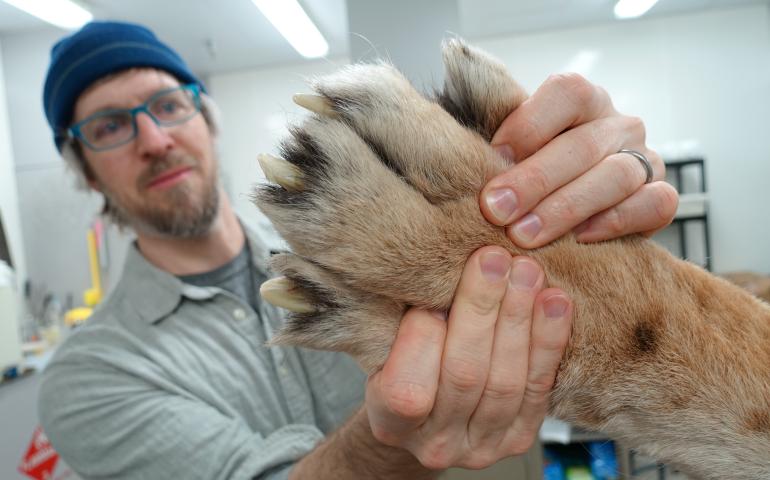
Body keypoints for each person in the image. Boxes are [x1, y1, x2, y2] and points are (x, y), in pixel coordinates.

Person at [38, 20, 677, 480]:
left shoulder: (358, 222)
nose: (152, 139)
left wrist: (580, 200)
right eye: (109, 126)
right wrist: (390, 441)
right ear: (86, 172)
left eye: (168, 105)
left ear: (205, 121)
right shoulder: (91, 376)